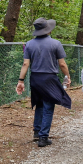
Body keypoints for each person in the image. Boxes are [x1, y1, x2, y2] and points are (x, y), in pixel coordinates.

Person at [16, 18, 72, 148]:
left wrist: (20, 81)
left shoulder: (29, 44)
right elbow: (62, 63)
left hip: (35, 78)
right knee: (48, 106)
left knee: (39, 103)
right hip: (49, 79)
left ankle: (37, 131)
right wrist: (67, 76)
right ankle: (43, 137)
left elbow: (25, 64)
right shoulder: (56, 43)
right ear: (48, 30)